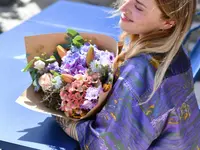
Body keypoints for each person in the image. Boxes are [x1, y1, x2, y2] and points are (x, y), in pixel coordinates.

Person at [56, 0, 200, 149]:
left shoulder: (139, 72)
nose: (123, 7)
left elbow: (106, 145)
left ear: (168, 22)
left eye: (138, 6)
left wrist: (64, 114)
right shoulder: (177, 53)